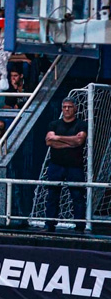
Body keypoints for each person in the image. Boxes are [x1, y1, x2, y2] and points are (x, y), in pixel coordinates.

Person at [43, 98, 88, 232]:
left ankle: (80, 226)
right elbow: (49, 142)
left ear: (75, 108)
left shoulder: (81, 124)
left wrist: (58, 138)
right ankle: (50, 224)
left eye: (69, 107)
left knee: (77, 196)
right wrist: (70, 142)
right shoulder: (54, 124)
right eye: (64, 107)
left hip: (75, 166)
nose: (66, 109)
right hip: (56, 165)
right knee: (52, 196)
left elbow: (79, 140)